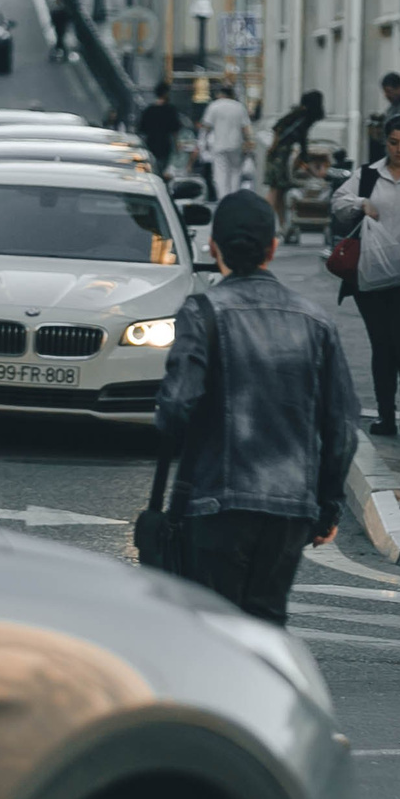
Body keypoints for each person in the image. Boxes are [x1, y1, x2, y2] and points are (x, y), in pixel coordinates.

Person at [152, 190, 358, 623]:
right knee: (267, 624)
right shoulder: (316, 321)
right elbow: (341, 429)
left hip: (215, 505)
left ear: (213, 247)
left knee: (214, 630)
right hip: (289, 509)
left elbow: (173, 411)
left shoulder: (201, 312)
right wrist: (328, 509)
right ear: (273, 248)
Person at [330, 115, 400, 436]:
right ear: (386, 143)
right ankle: (385, 414)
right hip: (371, 274)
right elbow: (338, 202)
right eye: (394, 143)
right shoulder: (367, 176)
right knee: (382, 344)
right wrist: (361, 202)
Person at [268, 89, 326, 235]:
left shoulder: (302, 115)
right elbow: (279, 128)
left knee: (280, 191)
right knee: (276, 190)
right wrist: (273, 148)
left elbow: (302, 141)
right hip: (280, 154)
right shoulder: (301, 116)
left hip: (281, 153)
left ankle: (281, 225)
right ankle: (269, 223)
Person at [202, 81, 253, 197]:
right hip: (236, 146)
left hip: (219, 146)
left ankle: (223, 199)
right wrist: (249, 144)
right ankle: (234, 197)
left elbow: (206, 128)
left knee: (220, 176)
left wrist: (203, 145)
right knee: (235, 174)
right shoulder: (239, 107)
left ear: (220, 93)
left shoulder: (214, 106)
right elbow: (246, 129)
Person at [140, 80, 183, 177]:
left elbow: (143, 130)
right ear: (165, 93)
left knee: (152, 167)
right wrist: (177, 145)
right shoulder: (170, 110)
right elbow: (175, 130)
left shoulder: (149, 110)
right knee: (162, 169)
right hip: (165, 144)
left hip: (151, 143)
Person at [370, 72, 400, 144]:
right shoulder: (395, 104)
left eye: (389, 91)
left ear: (399, 88)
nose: (386, 95)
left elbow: (397, 124)